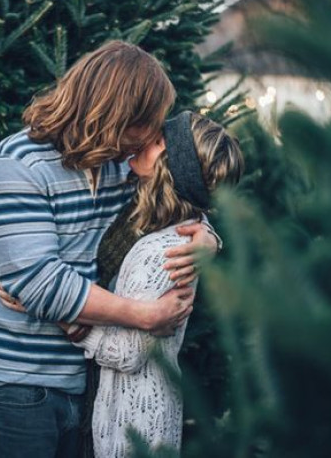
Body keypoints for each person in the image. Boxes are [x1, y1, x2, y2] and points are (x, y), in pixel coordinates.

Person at [0, 41, 220, 458]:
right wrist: (144, 315)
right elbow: (41, 284)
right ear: (115, 114)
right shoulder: (17, 164)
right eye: (147, 123)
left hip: (90, 382)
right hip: (17, 387)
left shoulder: (119, 164)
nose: (154, 134)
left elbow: (179, 195)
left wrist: (208, 237)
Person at [73, 111, 244, 457]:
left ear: (173, 168)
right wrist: (212, 236)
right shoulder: (153, 212)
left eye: (158, 141)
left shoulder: (168, 251)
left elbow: (129, 353)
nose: (146, 138)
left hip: (134, 417)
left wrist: (64, 318)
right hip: (117, 402)